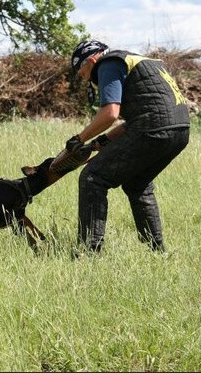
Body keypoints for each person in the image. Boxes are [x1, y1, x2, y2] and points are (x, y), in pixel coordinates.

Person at [61, 40, 190, 256]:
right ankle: (157, 251)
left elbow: (110, 113)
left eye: (81, 72)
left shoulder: (107, 64)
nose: (84, 78)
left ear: (91, 60)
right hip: (180, 130)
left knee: (93, 178)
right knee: (137, 183)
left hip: (152, 129)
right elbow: (139, 117)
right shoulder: (141, 62)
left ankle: (88, 251)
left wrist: (79, 139)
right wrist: (100, 142)